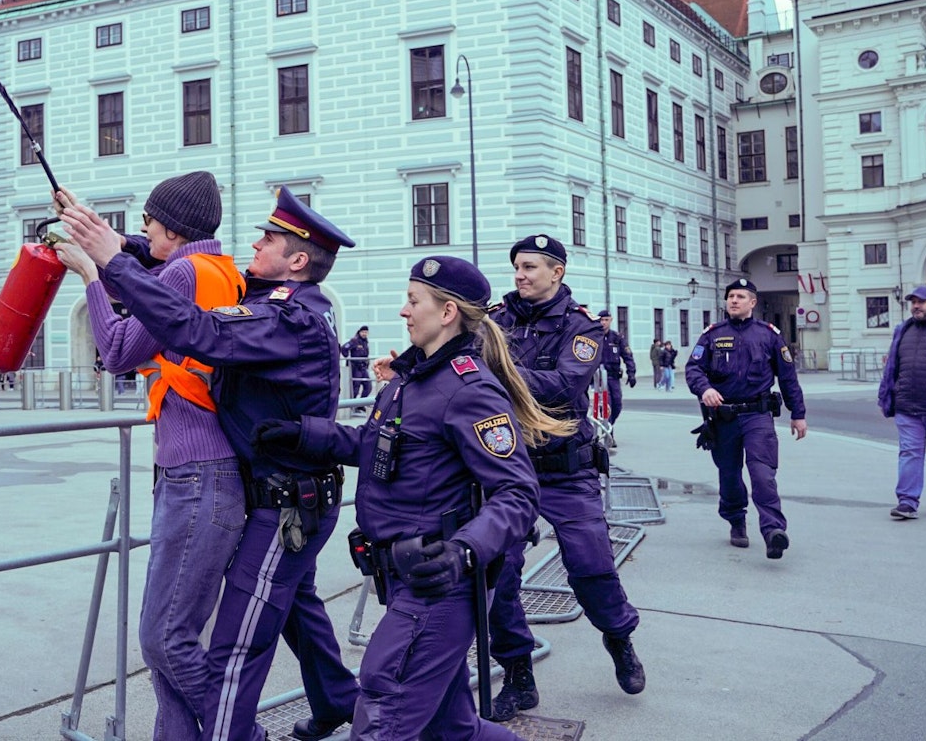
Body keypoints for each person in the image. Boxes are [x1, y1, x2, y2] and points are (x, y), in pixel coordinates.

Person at [58, 186, 360, 741]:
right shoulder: (253, 287)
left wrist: (105, 265)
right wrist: (108, 237)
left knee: (217, 645)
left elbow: (196, 330)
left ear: (296, 261)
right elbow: (177, 259)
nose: (256, 240)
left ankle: (242, 732)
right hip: (268, 489)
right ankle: (338, 700)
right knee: (291, 608)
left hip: (280, 499)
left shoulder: (286, 317)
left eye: (268, 237)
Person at [254, 256, 568, 739]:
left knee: (383, 703)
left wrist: (465, 550)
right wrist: (306, 435)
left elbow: (517, 491)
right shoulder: (411, 379)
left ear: (446, 313)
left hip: (440, 584)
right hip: (403, 576)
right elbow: (380, 447)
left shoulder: (469, 389)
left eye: (413, 300)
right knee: (454, 728)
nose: (404, 311)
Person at [54, 170, 250, 740]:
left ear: (170, 229)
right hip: (206, 470)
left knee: (164, 638)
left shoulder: (184, 273)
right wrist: (92, 226)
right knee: (174, 637)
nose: (142, 231)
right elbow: (141, 274)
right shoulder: (217, 269)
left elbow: (116, 349)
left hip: (197, 473)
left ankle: (238, 730)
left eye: (147, 222)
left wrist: (91, 273)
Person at [485, 234, 645, 720]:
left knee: (591, 564)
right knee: (497, 575)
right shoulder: (495, 320)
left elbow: (563, 385)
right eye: (516, 267)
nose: (520, 275)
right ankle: (518, 674)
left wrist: (495, 368)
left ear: (557, 271)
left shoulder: (582, 329)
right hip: (507, 468)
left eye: (530, 267)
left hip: (565, 469)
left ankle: (619, 639)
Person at [684, 278, 808, 558]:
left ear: (753, 302)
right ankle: (736, 520)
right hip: (723, 417)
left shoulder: (769, 335)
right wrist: (706, 389)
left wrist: (798, 414)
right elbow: (693, 369)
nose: (734, 300)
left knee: (763, 475)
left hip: (757, 416)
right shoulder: (712, 335)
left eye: (741, 296)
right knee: (729, 476)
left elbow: (788, 378)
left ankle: (773, 531)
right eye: (730, 296)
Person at [877, 285, 926, 520]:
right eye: (913, 302)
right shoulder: (903, 330)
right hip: (907, 407)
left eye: (921, 302)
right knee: (909, 453)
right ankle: (907, 502)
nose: (916, 306)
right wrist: (889, 395)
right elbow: (892, 368)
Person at [597, 310, 636, 439]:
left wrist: (631, 373)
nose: (603, 322)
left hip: (614, 378)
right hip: (600, 379)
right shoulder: (595, 336)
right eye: (601, 320)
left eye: (606, 320)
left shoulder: (617, 338)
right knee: (606, 405)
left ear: (611, 320)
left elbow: (628, 356)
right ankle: (608, 433)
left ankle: (608, 426)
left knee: (617, 405)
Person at [340, 325, 372, 413]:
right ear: (359, 332)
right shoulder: (354, 340)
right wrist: (348, 359)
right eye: (363, 332)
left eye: (366, 332)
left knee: (368, 386)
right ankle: (352, 407)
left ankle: (360, 405)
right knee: (355, 388)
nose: (364, 334)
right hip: (356, 367)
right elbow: (343, 348)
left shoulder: (365, 342)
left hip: (363, 367)